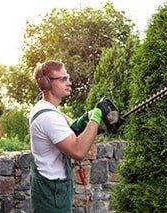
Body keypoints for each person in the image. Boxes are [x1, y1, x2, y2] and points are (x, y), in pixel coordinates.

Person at [29, 60, 117, 212]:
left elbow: (70, 128)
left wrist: (85, 119)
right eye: (63, 79)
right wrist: (96, 117)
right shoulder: (49, 117)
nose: (69, 83)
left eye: (68, 78)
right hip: (52, 195)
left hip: (51, 189)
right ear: (47, 83)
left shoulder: (46, 108)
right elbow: (78, 151)